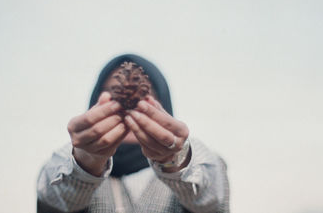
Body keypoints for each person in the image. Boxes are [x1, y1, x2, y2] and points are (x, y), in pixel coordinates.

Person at [37, 54, 229, 213]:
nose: (128, 106)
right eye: (113, 94)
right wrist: (85, 161)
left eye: (144, 95)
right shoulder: (61, 166)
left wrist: (176, 159)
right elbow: (52, 195)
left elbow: (211, 194)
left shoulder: (202, 165)